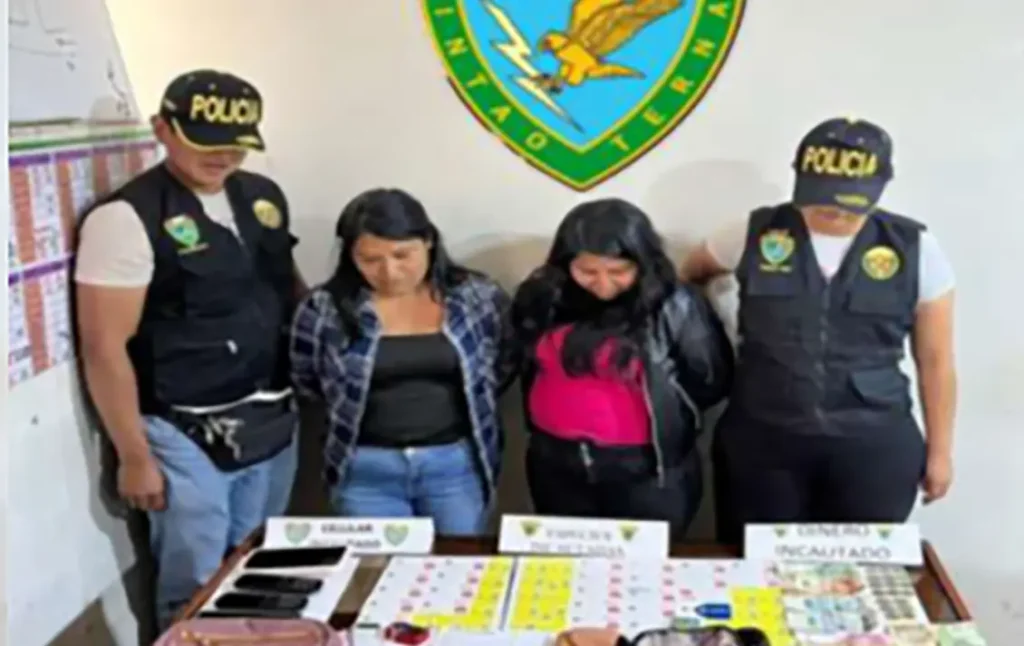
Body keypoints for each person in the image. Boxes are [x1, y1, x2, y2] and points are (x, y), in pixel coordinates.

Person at [75, 69, 305, 628]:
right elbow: (104, 346)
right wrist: (134, 456)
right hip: (183, 428)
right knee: (196, 583)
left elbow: (287, 286)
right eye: (205, 143)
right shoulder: (126, 218)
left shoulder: (263, 197)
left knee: (258, 567)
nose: (222, 156)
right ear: (162, 129)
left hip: (271, 413)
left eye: (236, 145)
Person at [679, 117, 957, 543]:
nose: (835, 212)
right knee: (754, 563)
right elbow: (690, 276)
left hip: (872, 441)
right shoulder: (753, 232)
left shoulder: (914, 247)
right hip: (764, 438)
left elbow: (936, 360)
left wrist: (940, 453)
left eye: (850, 203)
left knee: (857, 568)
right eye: (823, 199)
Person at [289, 188, 515, 535]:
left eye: (402, 255)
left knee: (458, 558)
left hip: (454, 464)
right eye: (370, 260)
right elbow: (307, 378)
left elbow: (503, 362)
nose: (390, 272)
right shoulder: (325, 308)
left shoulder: (477, 297)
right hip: (366, 468)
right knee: (376, 564)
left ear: (428, 242)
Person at [510, 198, 734, 536]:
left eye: (618, 272)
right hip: (555, 463)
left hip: (646, 471)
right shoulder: (542, 297)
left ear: (642, 263)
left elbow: (711, 379)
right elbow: (521, 356)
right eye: (587, 272)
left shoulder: (674, 303)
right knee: (565, 561)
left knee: (647, 563)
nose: (603, 284)